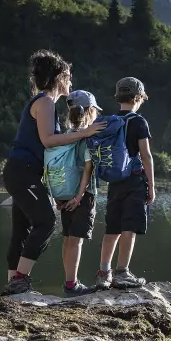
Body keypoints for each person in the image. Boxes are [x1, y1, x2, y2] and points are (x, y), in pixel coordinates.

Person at [3, 50, 105, 295]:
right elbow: (48, 140)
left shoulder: (42, 102)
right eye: (68, 76)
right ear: (59, 76)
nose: (70, 81)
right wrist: (84, 133)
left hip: (21, 172)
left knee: (21, 228)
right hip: (23, 171)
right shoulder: (46, 102)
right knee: (46, 221)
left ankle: (13, 285)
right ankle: (20, 278)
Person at [95, 77, 155, 289]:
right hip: (134, 180)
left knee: (112, 228)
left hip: (114, 180)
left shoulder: (108, 121)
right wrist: (152, 186)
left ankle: (104, 272)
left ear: (119, 97)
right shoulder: (139, 122)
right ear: (138, 97)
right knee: (130, 227)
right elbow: (146, 156)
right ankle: (122, 272)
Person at [58, 90, 102, 297]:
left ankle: (67, 281)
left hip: (64, 194)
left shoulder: (64, 135)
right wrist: (79, 196)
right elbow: (88, 168)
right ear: (91, 111)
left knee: (68, 238)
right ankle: (72, 285)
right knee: (76, 240)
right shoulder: (88, 138)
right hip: (82, 195)